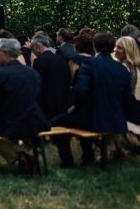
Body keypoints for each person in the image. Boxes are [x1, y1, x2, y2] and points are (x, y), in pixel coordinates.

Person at [52, 31, 134, 168]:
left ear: (94, 45)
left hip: (92, 119)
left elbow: (80, 90)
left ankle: (68, 161)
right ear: (112, 47)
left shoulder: (89, 64)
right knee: (81, 117)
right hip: (114, 120)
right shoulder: (121, 69)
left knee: (57, 121)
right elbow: (126, 99)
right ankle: (87, 156)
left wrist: (76, 106)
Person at [0, 39, 48, 174]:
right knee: (26, 130)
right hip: (34, 120)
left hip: (11, 122)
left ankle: (18, 156)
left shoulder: (0, 75)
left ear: (6, 53)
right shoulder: (32, 73)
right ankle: (27, 155)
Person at [30, 34, 72, 119]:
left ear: (38, 45)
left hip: (47, 106)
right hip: (63, 103)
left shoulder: (39, 61)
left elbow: (37, 84)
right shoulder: (61, 60)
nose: (32, 51)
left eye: (32, 47)